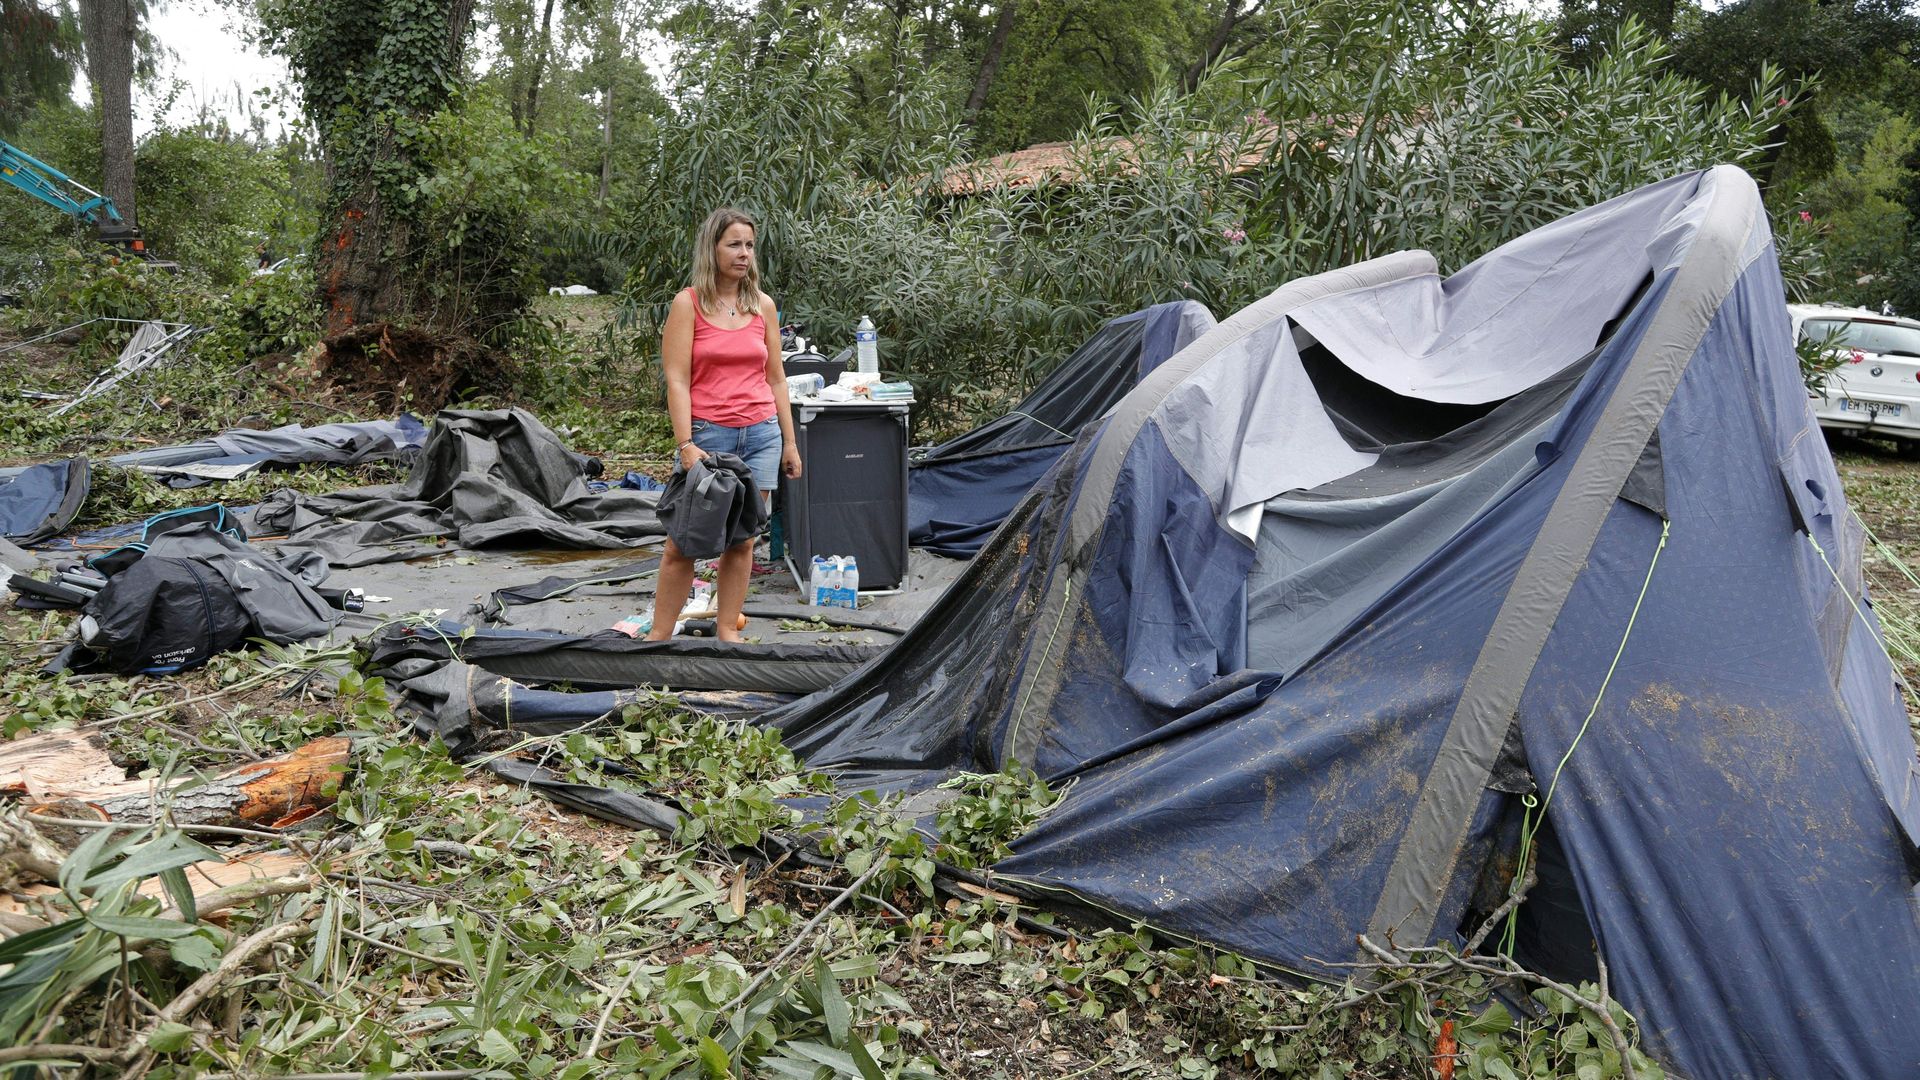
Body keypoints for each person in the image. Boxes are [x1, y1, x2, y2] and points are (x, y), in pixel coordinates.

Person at [647, 207, 802, 643]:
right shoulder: (688, 303)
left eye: (749, 246)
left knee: (743, 540)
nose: (744, 254)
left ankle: (726, 634)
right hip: (710, 439)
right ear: (712, 247)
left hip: (761, 436)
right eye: (734, 244)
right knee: (684, 541)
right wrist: (685, 443)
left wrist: (789, 443)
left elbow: (776, 378)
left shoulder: (762, 306)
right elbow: (676, 379)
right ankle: (658, 638)